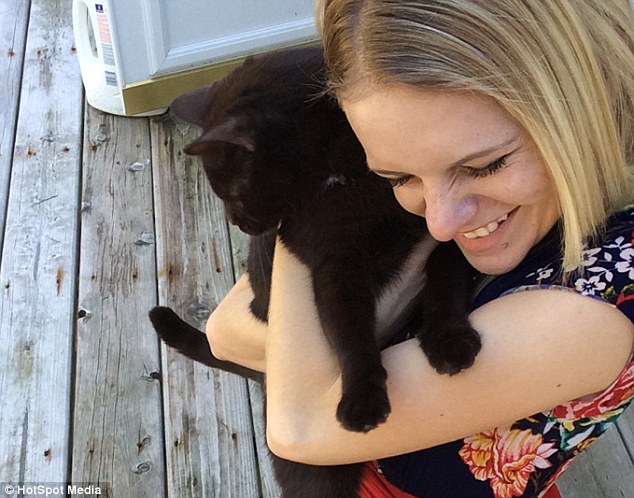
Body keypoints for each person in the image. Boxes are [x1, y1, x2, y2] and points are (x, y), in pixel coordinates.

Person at [206, 1, 634, 496]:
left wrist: (313, 233)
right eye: (398, 177)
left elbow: (299, 425)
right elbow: (223, 332)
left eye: (485, 166)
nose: (438, 223)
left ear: (588, 100)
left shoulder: (593, 305)